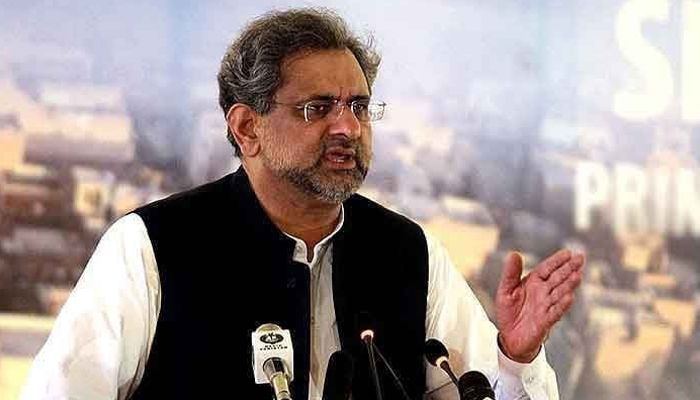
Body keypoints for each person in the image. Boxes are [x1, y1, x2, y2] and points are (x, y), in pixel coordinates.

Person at [20, 7, 584, 400]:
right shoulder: (151, 247)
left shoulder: (408, 252)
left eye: (360, 107)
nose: (348, 126)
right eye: (318, 108)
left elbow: (485, 390)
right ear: (247, 128)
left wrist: (513, 355)